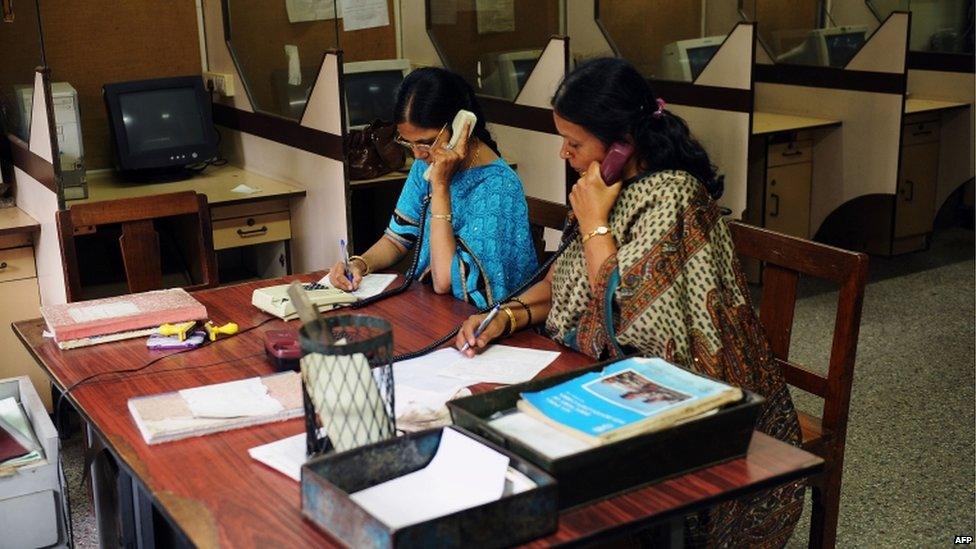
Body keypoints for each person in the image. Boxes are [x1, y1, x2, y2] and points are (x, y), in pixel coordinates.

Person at [455, 58, 803, 547]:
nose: (564, 153)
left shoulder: (676, 197)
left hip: (696, 402)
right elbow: (566, 282)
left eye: (574, 143)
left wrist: (595, 222)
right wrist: (505, 317)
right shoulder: (611, 189)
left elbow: (626, 307)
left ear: (622, 143)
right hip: (610, 379)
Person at [328, 67, 537, 308]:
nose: (417, 155)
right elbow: (397, 238)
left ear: (462, 125)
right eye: (408, 143)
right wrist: (359, 264)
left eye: (426, 142)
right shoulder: (427, 162)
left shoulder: (498, 186)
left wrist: (440, 187)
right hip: (430, 308)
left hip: (474, 319)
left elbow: (445, 281)